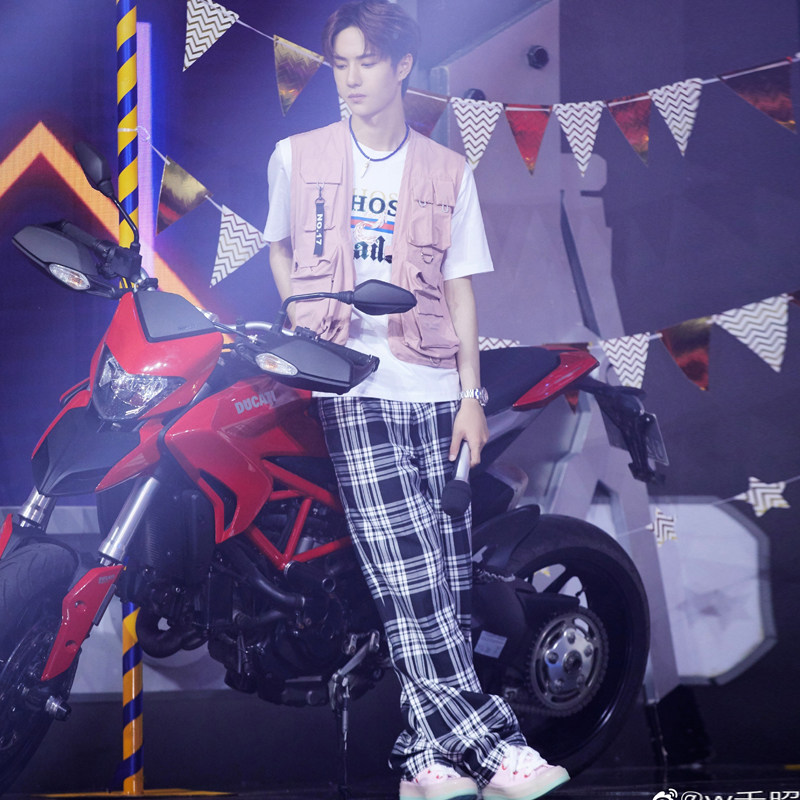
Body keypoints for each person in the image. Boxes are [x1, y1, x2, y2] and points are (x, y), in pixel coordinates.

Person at [264, 3, 569, 799]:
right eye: (340, 63)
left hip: (435, 390)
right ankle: (498, 750)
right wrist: (300, 314)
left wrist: (470, 397)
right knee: (408, 580)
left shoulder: (446, 171)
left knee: (442, 583)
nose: (350, 78)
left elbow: (460, 290)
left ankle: (424, 761)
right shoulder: (296, 156)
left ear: (402, 67)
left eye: (366, 62)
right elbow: (278, 245)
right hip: (354, 388)